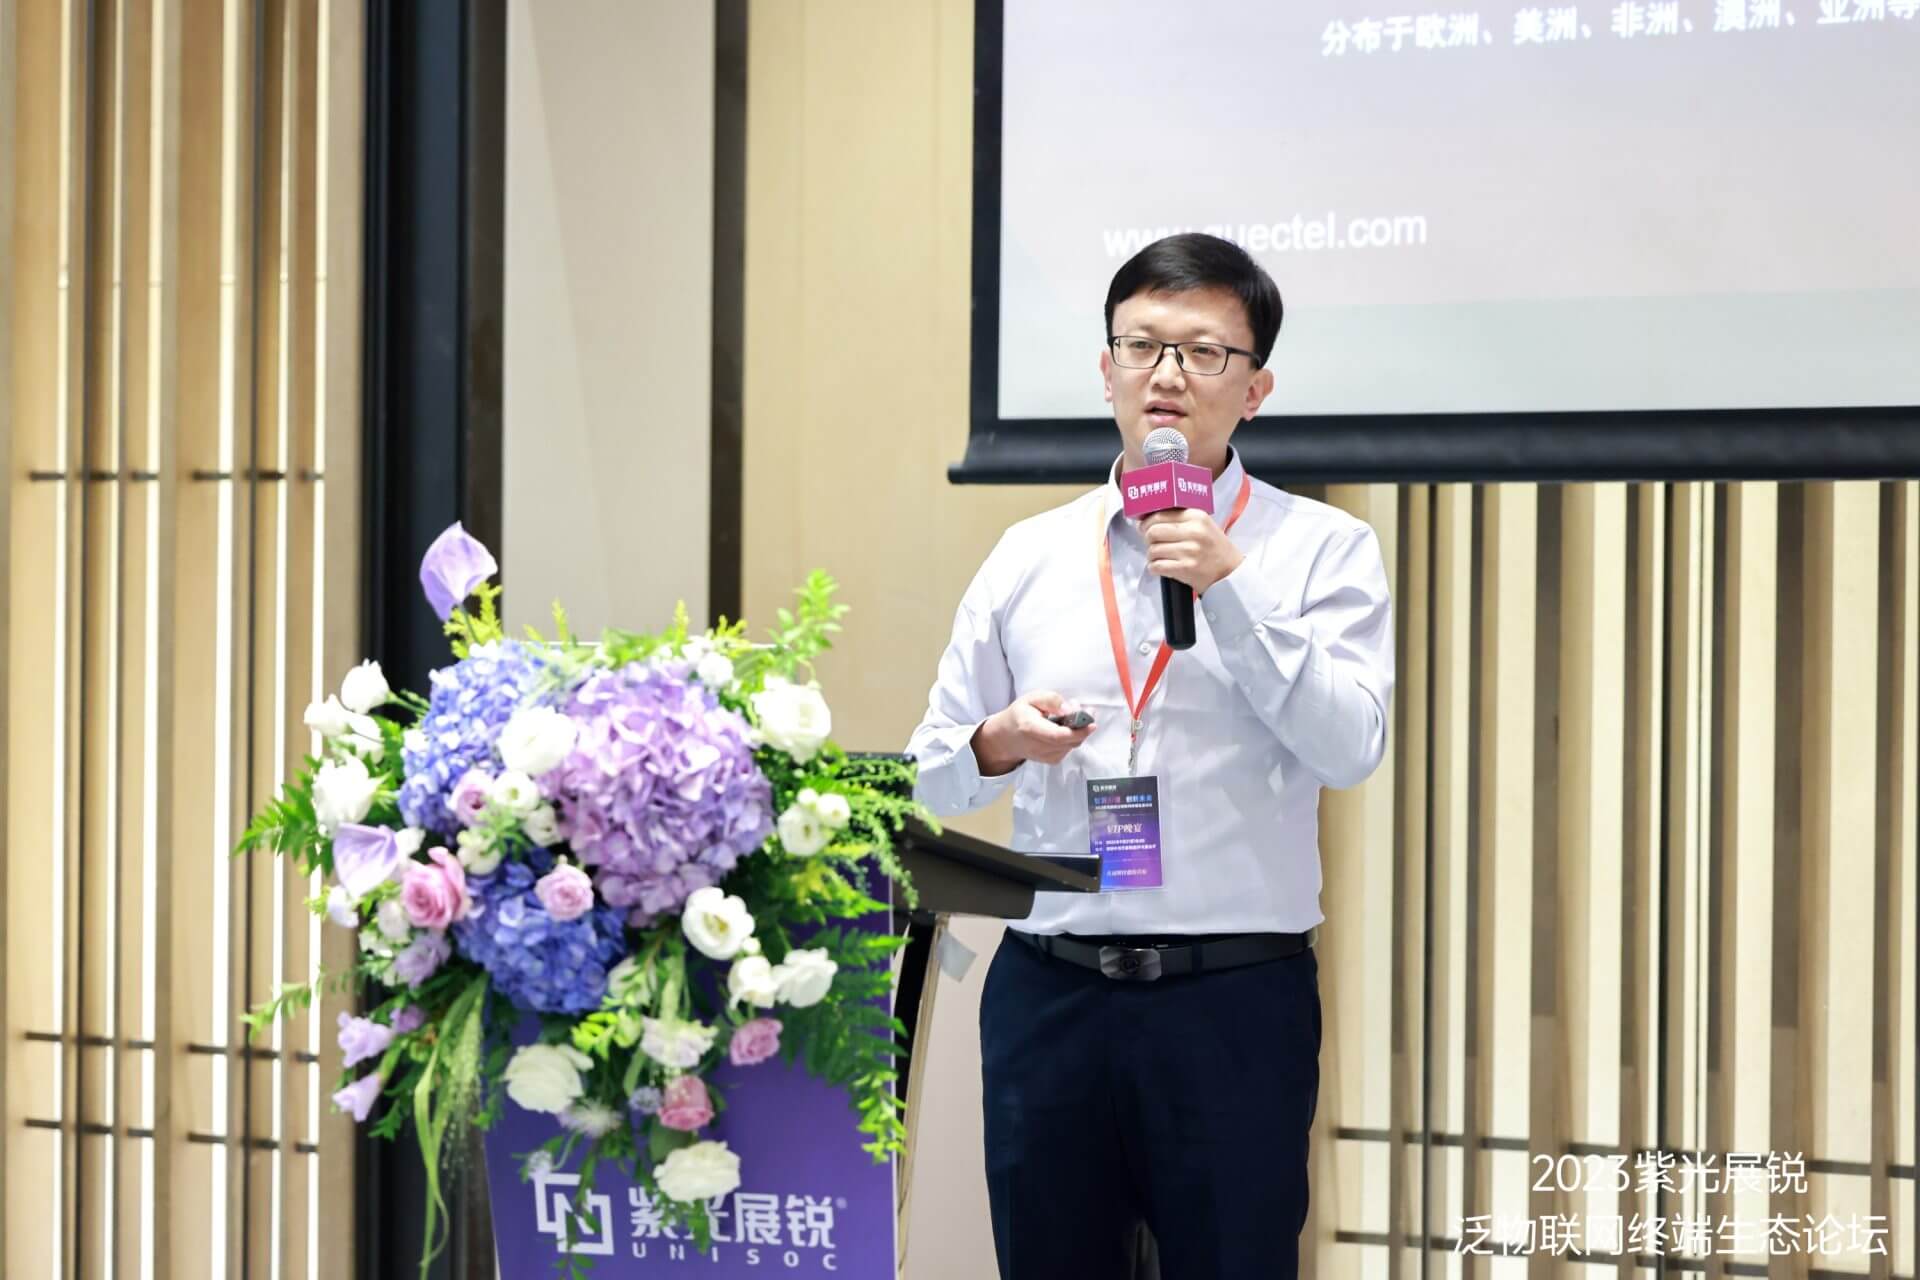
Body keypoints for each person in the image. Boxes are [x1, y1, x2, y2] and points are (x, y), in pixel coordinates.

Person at [906, 233, 1395, 1279]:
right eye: (1143, 345)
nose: (1168, 373)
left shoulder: (1322, 549)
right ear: (1106, 370)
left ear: (1255, 389)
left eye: (1204, 351)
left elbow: (1351, 748)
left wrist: (1231, 586)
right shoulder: (1029, 555)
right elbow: (926, 769)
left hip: (1232, 1002)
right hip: (1051, 997)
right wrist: (996, 743)